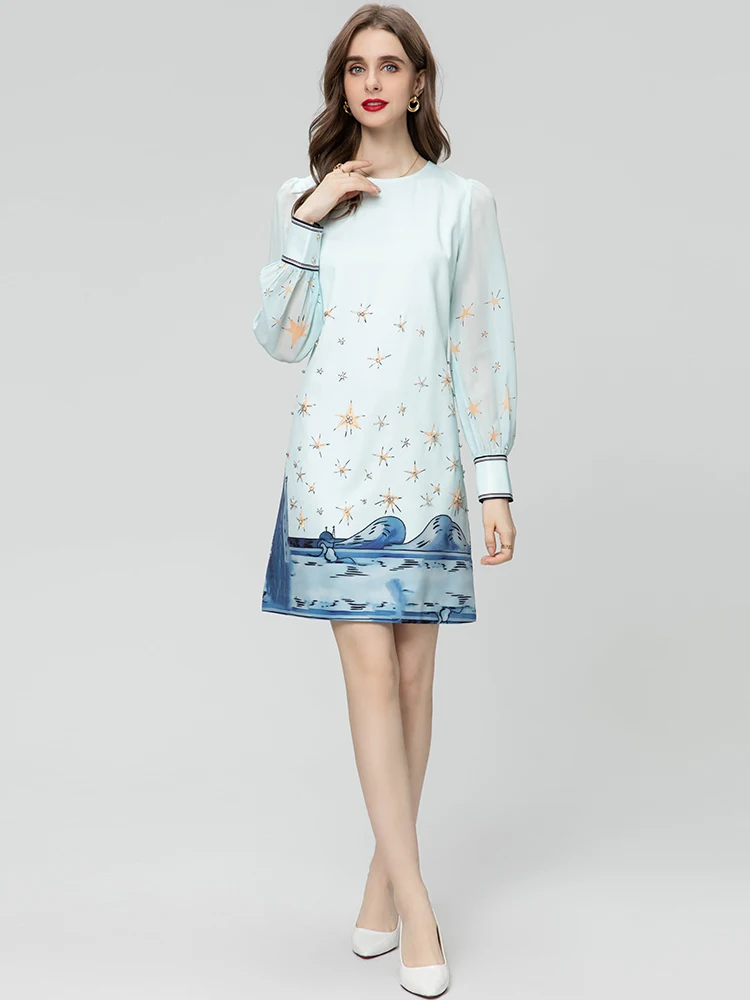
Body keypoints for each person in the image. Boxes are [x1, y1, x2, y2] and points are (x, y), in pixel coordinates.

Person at [252, 5, 518, 996]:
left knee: (412, 680)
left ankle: (377, 886)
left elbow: (480, 340)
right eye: (355, 67)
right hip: (334, 473)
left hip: (426, 469)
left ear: (418, 84)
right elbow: (280, 339)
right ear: (342, 85)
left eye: (389, 65)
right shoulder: (306, 197)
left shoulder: (462, 204)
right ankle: (417, 902)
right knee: (369, 672)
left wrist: (492, 480)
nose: (371, 81)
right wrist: (308, 220)